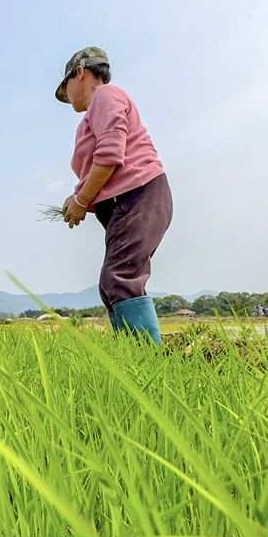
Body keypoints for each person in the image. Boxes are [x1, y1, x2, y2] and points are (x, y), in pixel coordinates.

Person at [56, 47, 173, 343]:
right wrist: (77, 197)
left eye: (66, 86)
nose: (67, 96)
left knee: (120, 278)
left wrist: (82, 201)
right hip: (125, 202)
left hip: (139, 194)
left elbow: (110, 156)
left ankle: (147, 364)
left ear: (80, 72)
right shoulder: (90, 118)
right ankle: (133, 358)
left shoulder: (106, 95)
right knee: (112, 283)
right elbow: (95, 168)